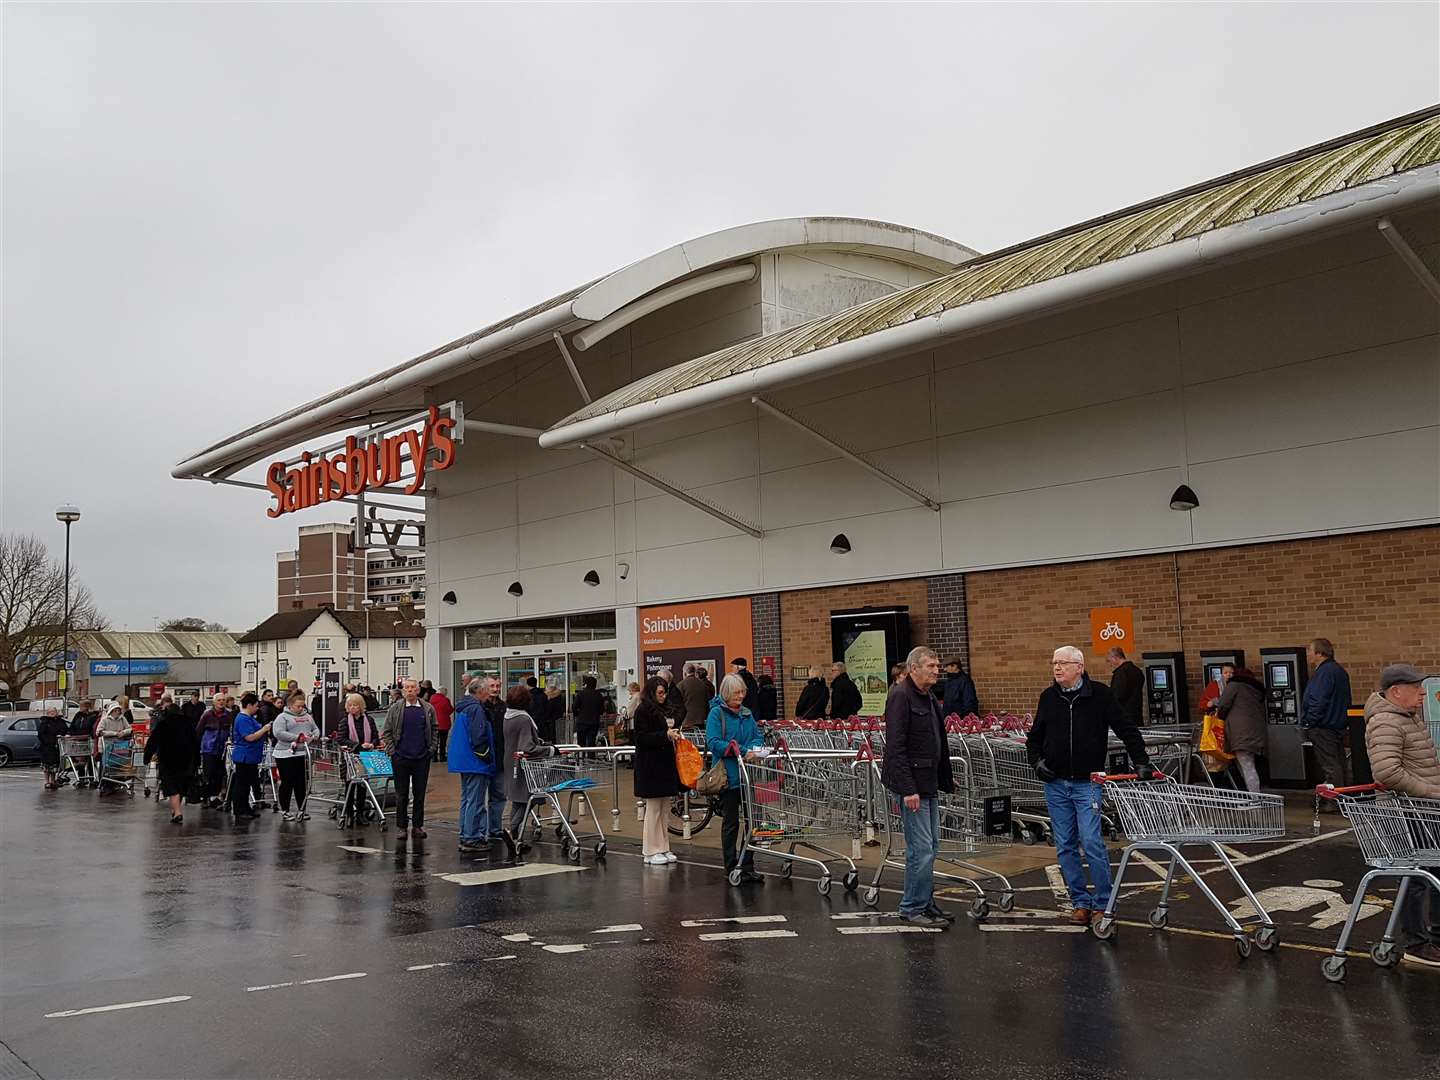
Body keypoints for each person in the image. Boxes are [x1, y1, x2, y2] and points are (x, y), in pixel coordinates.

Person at [1030, 645, 1153, 925]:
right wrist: (1037, 762)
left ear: (1079, 667)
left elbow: (1126, 729)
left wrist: (1141, 760)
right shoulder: (1049, 698)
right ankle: (1080, 902)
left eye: (1063, 663)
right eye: (1054, 663)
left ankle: (1103, 903)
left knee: (1092, 841)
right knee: (1065, 845)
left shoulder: (1099, 695)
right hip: (1056, 783)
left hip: (1088, 783)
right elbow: (1034, 737)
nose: (1057, 668)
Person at [1362, 663, 1440, 968]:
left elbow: (1419, 763)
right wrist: (1433, 793)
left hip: (1422, 810)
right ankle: (1417, 944)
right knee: (1417, 878)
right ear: (1396, 691)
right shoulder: (1386, 722)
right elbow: (1387, 772)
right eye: (1416, 687)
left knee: (1431, 874)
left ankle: (1433, 938)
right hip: (1407, 812)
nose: (1423, 693)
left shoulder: (1408, 718)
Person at [879, 647, 954, 927]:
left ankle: (925, 901)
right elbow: (896, 748)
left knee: (931, 846)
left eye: (938, 665)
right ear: (914, 668)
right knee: (920, 849)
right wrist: (908, 789)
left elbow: (938, 742)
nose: (937, 670)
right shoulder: (901, 697)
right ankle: (912, 907)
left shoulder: (928, 696)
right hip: (913, 786)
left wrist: (945, 777)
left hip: (929, 782)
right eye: (931, 666)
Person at [706, 673, 765, 886]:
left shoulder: (747, 715)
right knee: (731, 823)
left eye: (743, 692)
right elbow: (714, 742)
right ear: (727, 693)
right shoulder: (716, 714)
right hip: (728, 776)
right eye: (737, 692)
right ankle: (731, 865)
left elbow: (757, 735)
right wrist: (740, 750)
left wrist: (756, 748)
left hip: (748, 775)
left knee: (752, 822)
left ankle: (747, 864)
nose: (741, 696)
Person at [634, 676, 681, 865]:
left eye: (665, 692)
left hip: (663, 763)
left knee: (664, 808)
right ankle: (650, 849)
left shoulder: (662, 710)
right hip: (650, 765)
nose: (663, 696)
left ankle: (663, 846)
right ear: (652, 693)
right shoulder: (642, 711)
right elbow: (641, 738)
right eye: (660, 693)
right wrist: (665, 735)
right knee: (653, 809)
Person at [382, 678, 438, 839]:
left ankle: (417, 826)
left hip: (422, 757)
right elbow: (387, 731)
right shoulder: (395, 708)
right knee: (402, 794)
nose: (410, 690)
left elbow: (434, 728)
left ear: (418, 690)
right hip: (401, 757)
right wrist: (393, 751)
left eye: (413, 687)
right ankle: (401, 827)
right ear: (403, 690)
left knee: (419, 793)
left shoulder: (427, 708)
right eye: (407, 688)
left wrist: (431, 749)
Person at [450, 679, 498, 852]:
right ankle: (472, 837)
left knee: (467, 799)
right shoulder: (476, 709)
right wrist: (486, 758)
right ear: (481, 691)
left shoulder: (465, 707)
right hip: (475, 761)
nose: (489, 693)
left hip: (463, 760)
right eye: (487, 689)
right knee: (476, 801)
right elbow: (479, 737)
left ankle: (466, 834)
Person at [1303, 637, 1353, 794]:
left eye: (1310, 651)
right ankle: (1345, 796)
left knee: (1330, 765)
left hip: (1323, 726)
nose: (1308, 654)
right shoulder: (1338, 671)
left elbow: (1317, 699)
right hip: (1337, 724)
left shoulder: (1324, 673)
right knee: (1339, 763)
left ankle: (1333, 800)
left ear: (1319, 653)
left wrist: (1309, 722)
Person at [144, 696, 198, 823]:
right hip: (186, 760)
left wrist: (147, 757)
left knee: (171, 787)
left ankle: (177, 812)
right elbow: (195, 743)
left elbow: (152, 742)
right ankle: (175, 811)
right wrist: (197, 760)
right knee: (181, 786)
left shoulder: (163, 724)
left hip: (167, 760)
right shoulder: (188, 724)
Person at [1214, 666, 1267, 791]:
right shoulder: (1255, 689)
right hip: (1255, 730)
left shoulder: (1234, 685)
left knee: (1247, 766)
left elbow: (1222, 705)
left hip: (1240, 733)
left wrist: (1219, 714)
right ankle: (1253, 796)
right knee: (1246, 765)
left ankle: (1256, 800)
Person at [334, 693, 381, 826]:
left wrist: (372, 744)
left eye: (355, 705)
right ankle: (349, 814)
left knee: (362, 787)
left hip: (365, 757)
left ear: (361, 706)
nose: (352, 708)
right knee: (350, 786)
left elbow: (376, 736)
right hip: (350, 758)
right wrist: (358, 745)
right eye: (350, 705)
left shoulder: (369, 720)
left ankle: (360, 814)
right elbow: (341, 739)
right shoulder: (345, 721)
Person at [502, 683, 542, 841]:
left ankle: (515, 834)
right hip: (525, 764)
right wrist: (550, 750)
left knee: (518, 799)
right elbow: (528, 746)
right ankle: (512, 829)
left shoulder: (507, 716)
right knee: (531, 797)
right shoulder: (524, 719)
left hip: (510, 760)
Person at [272, 690, 319, 821]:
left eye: (302, 706)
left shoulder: (307, 716)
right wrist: (296, 738)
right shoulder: (283, 717)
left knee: (301, 783)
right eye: (298, 706)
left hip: (302, 753)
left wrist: (314, 735)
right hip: (285, 753)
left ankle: (302, 808)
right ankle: (285, 810)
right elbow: (278, 733)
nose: (301, 708)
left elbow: (315, 728)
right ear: (291, 705)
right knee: (287, 782)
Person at [230, 693, 271, 820]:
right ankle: (239, 809)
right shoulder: (242, 719)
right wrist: (263, 730)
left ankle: (246, 807)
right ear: (249, 705)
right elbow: (249, 737)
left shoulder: (249, 718)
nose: (257, 708)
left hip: (251, 756)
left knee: (247, 784)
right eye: (256, 706)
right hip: (245, 756)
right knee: (242, 784)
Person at [196, 692, 234, 810]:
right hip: (208, 748)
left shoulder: (228, 715)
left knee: (220, 773)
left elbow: (231, 730)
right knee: (208, 774)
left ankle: (215, 796)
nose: (221, 702)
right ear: (214, 702)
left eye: (223, 700)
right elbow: (199, 731)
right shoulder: (207, 715)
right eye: (219, 700)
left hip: (221, 749)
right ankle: (206, 797)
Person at [95, 704, 134, 796]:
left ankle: (116, 783)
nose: (117, 712)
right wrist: (114, 733)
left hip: (120, 746)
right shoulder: (105, 720)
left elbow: (129, 728)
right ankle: (106, 785)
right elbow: (99, 732)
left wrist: (123, 732)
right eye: (115, 710)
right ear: (111, 711)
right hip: (109, 746)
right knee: (108, 765)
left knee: (118, 765)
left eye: (118, 710)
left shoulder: (122, 719)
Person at [1104, 648, 1144, 728]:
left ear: (1115, 658)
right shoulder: (1137, 671)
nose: (1110, 664)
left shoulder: (1120, 673)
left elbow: (1117, 695)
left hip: (1124, 716)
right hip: (1137, 714)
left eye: (1109, 660)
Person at [68, 699, 100, 787]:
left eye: (81, 706)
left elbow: (93, 728)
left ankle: (92, 778)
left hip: (88, 740)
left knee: (90, 759)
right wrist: (72, 734)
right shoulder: (78, 715)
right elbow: (72, 726)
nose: (80, 708)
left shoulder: (93, 716)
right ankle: (81, 778)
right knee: (80, 760)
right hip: (78, 740)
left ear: (86, 707)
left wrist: (89, 735)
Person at [38, 707, 68, 790]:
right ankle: (47, 782)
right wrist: (47, 742)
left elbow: (65, 730)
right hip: (47, 747)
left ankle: (53, 781)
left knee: (54, 765)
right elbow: (40, 734)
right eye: (50, 712)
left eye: (54, 711)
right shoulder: (44, 722)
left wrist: (63, 736)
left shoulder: (60, 721)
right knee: (47, 765)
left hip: (57, 745)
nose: (52, 713)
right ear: (47, 713)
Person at [572, 676, 605, 747]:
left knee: (581, 742)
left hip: (582, 721)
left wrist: (577, 714)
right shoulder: (599, 695)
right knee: (591, 741)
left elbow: (574, 707)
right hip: (594, 722)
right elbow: (602, 710)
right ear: (595, 685)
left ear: (586, 684)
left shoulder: (581, 694)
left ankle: (581, 756)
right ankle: (591, 757)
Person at [678, 665, 710, 730]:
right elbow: (707, 702)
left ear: (684, 673)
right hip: (701, 722)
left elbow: (677, 705)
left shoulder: (681, 685)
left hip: (686, 723)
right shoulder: (703, 684)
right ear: (695, 672)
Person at [430, 686, 454, 762]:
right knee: (443, 741)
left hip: (434, 723)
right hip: (444, 723)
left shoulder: (432, 699)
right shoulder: (445, 700)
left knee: (435, 741)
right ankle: (442, 756)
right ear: (443, 692)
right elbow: (450, 710)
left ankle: (434, 757)